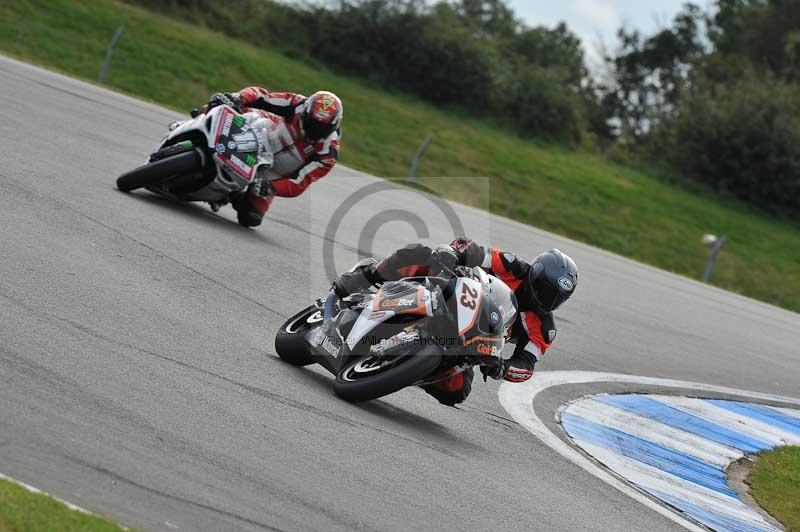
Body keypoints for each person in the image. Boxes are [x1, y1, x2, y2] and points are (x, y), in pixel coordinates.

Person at [333, 238, 578, 406]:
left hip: (469, 341)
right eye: (546, 290)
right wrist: (452, 254)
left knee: (456, 391)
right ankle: (365, 276)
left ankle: (405, 368)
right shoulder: (512, 265)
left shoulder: (544, 329)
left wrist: (502, 367)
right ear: (536, 273)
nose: (547, 300)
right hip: (449, 293)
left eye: (556, 298)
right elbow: (472, 249)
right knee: (420, 253)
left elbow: (526, 365)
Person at [201, 87, 343, 227]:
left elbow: (299, 182)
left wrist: (271, 187)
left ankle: (230, 194)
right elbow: (262, 96)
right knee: (223, 106)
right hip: (262, 133)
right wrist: (238, 98)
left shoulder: (328, 153)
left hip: (272, 174)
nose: (314, 130)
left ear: (334, 126)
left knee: (251, 217)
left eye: (321, 128)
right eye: (311, 123)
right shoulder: (296, 103)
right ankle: (197, 124)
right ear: (305, 112)